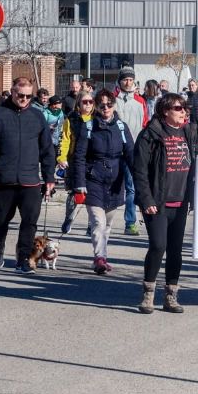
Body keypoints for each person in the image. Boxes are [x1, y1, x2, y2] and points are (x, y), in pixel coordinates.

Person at [0, 78, 57, 272]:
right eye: (21, 95)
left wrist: (49, 178)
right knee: (1, 220)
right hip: (4, 180)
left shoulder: (37, 117)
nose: (24, 99)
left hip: (30, 181)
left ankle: (23, 259)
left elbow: (47, 149)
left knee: (29, 222)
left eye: (29, 96)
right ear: (12, 92)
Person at [132, 93, 198, 314]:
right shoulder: (150, 135)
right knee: (158, 246)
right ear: (165, 111)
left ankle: (171, 295)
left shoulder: (189, 132)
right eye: (179, 108)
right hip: (157, 202)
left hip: (181, 202)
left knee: (175, 250)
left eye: (185, 108)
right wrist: (146, 199)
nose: (184, 112)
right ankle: (148, 293)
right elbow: (140, 170)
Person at [71, 89, 135, 275]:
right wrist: (79, 183)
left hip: (115, 181)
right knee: (98, 222)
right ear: (96, 108)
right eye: (102, 105)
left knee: (107, 224)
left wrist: (139, 178)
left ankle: (102, 255)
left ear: (114, 105)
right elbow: (79, 157)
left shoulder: (121, 127)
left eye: (109, 104)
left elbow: (130, 154)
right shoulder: (89, 126)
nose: (106, 108)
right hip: (94, 180)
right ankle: (100, 258)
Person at [114, 66, 149, 235]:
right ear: (120, 81)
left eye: (130, 79)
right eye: (125, 79)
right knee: (108, 187)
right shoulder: (112, 100)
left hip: (132, 151)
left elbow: (145, 125)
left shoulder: (140, 101)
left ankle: (130, 223)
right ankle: (96, 223)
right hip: (113, 152)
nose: (128, 82)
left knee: (131, 188)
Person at [58, 93, 96, 235]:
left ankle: (91, 224)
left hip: (93, 161)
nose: (88, 105)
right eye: (84, 102)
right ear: (79, 104)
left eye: (90, 102)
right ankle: (69, 218)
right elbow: (65, 140)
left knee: (93, 194)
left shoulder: (97, 118)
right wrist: (61, 157)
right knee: (75, 193)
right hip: (75, 161)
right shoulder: (71, 119)